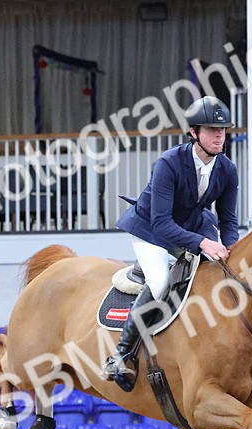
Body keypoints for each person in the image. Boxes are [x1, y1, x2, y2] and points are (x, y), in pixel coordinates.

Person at [102, 96, 240, 391]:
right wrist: (203, 243)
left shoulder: (227, 169)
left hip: (191, 227)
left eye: (223, 130)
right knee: (161, 280)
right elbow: (161, 223)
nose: (219, 135)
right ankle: (122, 354)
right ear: (193, 133)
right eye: (211, 129)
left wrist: (231, 251)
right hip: (151, 230)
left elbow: (228, 220)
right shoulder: (169, 163)